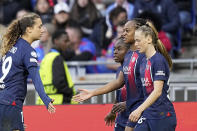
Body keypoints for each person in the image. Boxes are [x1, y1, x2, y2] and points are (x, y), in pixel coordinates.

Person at [72, 18, 147, 131]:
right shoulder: (129, 57)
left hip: (146, 113)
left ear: (137, 30)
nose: (123, 34)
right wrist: (93, 93)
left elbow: (152, 90)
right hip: (129, 114)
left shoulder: (146, 56)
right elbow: (119, 84)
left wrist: (128, 103)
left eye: (127, 30)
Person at [0, 13, 55, 131]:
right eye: (39, 27)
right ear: (29, 29)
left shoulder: (10, 46)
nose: (43, 30)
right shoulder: (28, 51)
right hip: (11, 103)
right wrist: (45, 99)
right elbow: (36, 78)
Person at [130, 21, 177, 130]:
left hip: (162, 115)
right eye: (135, 41)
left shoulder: (158, 61)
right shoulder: (143, 62)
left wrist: (139, 109)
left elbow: (157, 91)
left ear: (149, 39)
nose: (135, 44)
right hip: (148, 114)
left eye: (138, 40)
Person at [37, 29, 76, 105]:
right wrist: (70, 92)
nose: (68, 44)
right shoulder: (57, 57)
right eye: (65, 41)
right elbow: (58, 82)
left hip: (44, 102)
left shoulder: (46, 57)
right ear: (56, 41)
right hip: (59, 102)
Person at [104, 38, 130, 131]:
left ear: (129, 51)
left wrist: (128, 104)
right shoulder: (120, 70)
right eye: (114, 49)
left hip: (135, 118)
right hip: (121, 119)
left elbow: (145, 95)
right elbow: (119, 93)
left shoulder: (136, 68)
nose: (115, 52)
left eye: (119, 49)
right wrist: (113, 112)